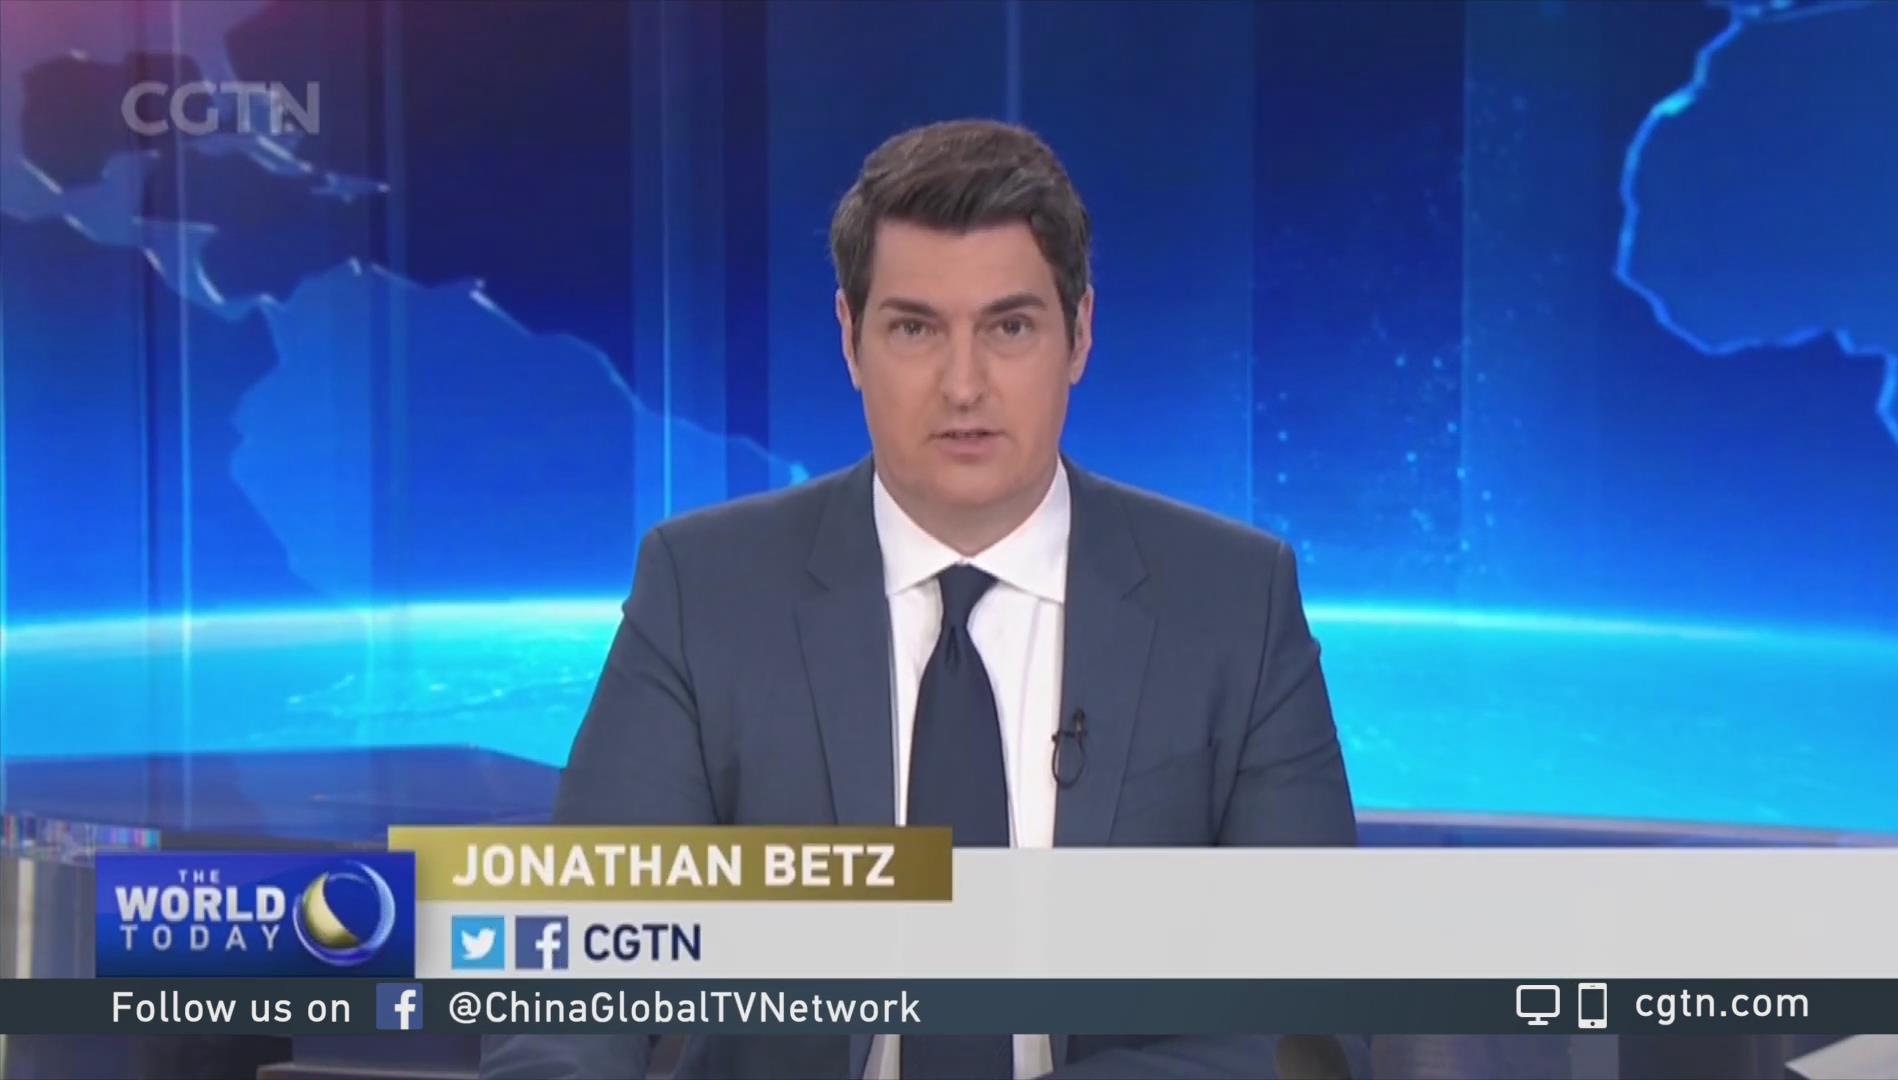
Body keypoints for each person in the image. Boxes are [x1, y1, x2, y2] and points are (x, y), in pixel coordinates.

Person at [481, 119, 1362, 1080]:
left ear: (1079, 335)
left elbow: (1308, 1020)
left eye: (1009, 327)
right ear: (851, 339)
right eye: (915, 328)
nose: (963, 385)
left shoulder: (1235, 604)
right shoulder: (703, 591)